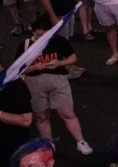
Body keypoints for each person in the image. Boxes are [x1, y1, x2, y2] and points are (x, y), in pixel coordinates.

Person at [19, 14, 92, 155]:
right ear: (33, 31)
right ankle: (48, 145)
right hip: (34, 84)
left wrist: (59, 63)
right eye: (38, 35)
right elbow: (18, 69)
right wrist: (34, 67)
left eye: (45, 36)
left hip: (58, 81)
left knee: (68, 113)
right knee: (42, 116)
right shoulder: (25, 45)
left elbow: (73, 57)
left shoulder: (58, 40)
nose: (42, 39)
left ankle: (81, 142)